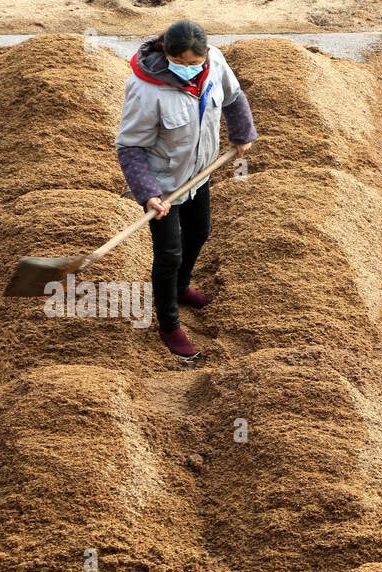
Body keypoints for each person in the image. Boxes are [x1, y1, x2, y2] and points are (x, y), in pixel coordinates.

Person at [115, 20, 258, 359]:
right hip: (162, 183)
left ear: (205, 53)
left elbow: (234, 98)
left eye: (196, 63)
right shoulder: (146, 90)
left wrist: (241, 134)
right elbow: (130, 147)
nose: (190, 69)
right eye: (182, 63)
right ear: (168, 55)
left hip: (199, 173)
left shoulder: (216, 62)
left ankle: (180, 289)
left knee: (200, 232)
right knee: (169, 255)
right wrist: (148, 192)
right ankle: (168, 323)